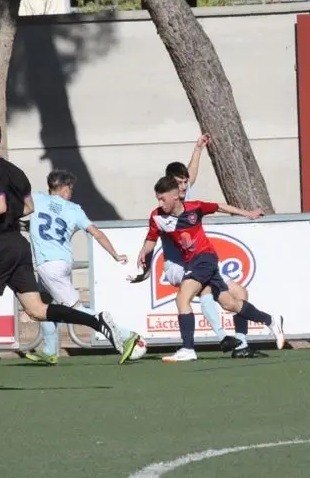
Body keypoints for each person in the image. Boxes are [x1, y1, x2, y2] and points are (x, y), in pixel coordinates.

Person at [0, 120, 132, 395]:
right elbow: (27, 207)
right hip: (19, 245)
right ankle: (97, 322)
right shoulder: (16, 171)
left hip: (0, 246)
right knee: (37, 310)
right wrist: (5, 217)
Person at [134, 175, 285, 363]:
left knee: (182, 298)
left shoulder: (195, 208)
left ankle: (188, 349)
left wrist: (248, 213)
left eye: (162, 199)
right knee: (229, 303)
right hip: (195, 263)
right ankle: (271, 320)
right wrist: (143, 251)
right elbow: (151, 240)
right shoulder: (157, 216)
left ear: (175, 196)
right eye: (158, 199)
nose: (160, 203)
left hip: (204, 258)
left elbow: (220, 207)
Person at [24, 169, 140, 366]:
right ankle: (50, 350)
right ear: (64, 189)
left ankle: (128, 335)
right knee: (43, 303)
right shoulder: (74, 209)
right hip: (62, 263)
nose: (71, 193)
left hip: (48, 266)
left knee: (76, 310)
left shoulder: (36, 199)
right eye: (71, 189)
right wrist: (115, 254)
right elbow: (97, 234)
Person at [161, 150, 266, 358]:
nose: (184, 187)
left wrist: (198, 148)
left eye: (185, 183)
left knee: (240, 293)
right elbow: (151, 239)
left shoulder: (186, 199)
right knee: (205, 288)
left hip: (197, 263)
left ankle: (241, 345)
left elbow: (193, 177)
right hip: (177, 267)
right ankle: (220, 337)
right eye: (179, 183)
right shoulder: (166, 205)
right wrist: (145, 265)